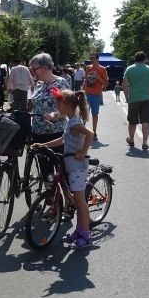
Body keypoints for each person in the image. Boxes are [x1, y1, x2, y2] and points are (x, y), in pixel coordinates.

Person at [31, 89, 94, 249]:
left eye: (59, 103)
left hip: (78, 167)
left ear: (68, 105)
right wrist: (43, 145)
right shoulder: (71, 121)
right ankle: (79, 231)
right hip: (72, 166)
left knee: (80, 202)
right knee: (76, 200)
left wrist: (83, 152)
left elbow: (90, 134)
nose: (57, 105)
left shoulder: (74, 123)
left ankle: (85, 235)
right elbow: (62, 140)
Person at [29, 53, 70, 175]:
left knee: (62, 173)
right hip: (38, 134)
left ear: (45, 68)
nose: (32, 72)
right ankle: (49, 187)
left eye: (34, 69)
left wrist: (54, 115)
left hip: (55, 134)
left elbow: (68, 108)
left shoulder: (61, 83)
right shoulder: (39, 84)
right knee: (46, 174)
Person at [123, 51, 149, 151]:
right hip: (146, 99)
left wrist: (126, 97)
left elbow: (124, 84)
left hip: (133, 99)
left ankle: (131, 140)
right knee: (146, 121)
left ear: (135, 58)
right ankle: (145, 143)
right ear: (144, 59)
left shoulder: (129, 69)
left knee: (132, 121)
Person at [83, 53, 109, 141]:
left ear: (98, 59)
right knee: (84, 113)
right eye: (91, 58)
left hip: (96, 94)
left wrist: (98, 77)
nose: (92, 59)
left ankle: (94, 132)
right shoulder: (88, 67)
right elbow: (85, 80)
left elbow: (106, 83)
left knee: (95, 114)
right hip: (87, 93)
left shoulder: (102, 69)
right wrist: (82, 90)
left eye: (93, 58)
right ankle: (82, 131)